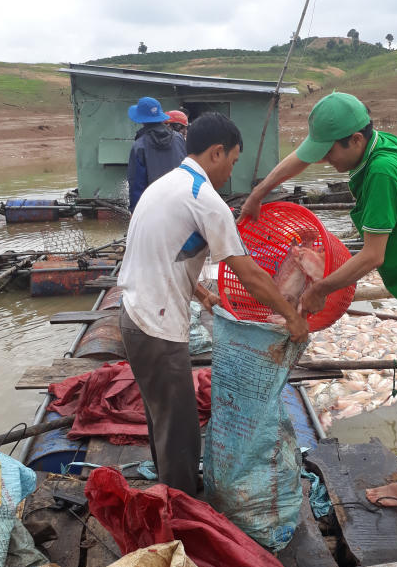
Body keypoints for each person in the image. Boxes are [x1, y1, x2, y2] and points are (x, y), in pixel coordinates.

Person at [240, 92, 397, 508]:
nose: (325, 161)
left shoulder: (383, 172)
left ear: (353, 139)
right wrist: (260, 192)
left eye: (330, 152)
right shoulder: (375, 143)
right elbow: (301, 157)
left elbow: (372, 255)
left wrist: (318, 289)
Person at [118, 111, 309, 496]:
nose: (232, 173)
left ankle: (169, 490)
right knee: (182, 428)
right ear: (217, 153)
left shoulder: (167, 185)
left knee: (163, 419)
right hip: (156, 327)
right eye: (234, 162)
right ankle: (183, 510)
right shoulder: (204, 199)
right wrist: (291, 316)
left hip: (132, 315)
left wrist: (204, 295)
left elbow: (166, 256)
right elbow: (250, 275)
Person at [127, 96, 186, 211]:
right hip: (181, 205)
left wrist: (135, 211)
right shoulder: (179, 139)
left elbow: (136, 184)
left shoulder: (139, 146)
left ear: (142, 119)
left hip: (153, 209)